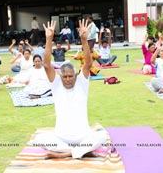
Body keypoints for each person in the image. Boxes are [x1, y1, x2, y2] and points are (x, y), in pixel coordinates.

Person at [32, 19, 107, 159]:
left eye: (70, 76)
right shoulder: (56, 84)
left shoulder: (81, 82)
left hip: (83, 136)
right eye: (65, 77)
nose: (68, 79)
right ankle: (81, 151)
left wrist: (84, 40)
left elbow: (88, 63)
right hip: (61, 137)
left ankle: (64, 154)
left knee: (102, 136)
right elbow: (47, 65)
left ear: (76, 75)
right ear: (60, 76)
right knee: (38, 139)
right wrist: (49, 39)